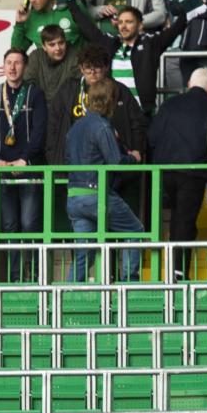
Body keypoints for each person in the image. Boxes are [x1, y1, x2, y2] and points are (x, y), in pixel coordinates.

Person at [65, 81, 146, 283]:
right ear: (110, 101)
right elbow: (115, 162)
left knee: (85, 252)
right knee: (135, 230)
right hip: (96, 194)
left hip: (74, 195)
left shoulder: (75, 127)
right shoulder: (101, 125)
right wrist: (134, 157)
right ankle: (130, 284)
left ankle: (70, 296)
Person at [0, 48, 49, 282]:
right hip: (4, 170)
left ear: (25, 66)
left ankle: (35, 275)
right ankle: (15, 276)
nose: (12, 67)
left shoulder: (35, 94)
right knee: (10, 226)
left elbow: (40, 131)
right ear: (3, 65)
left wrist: (25, 159)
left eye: (17, 63)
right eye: (8, 62)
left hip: (29, 169)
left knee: (30, 224)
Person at [151, 68, 207, 278]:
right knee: (185, 221)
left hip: (167, 170)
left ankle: (174, 269)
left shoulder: (169, 104)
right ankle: (178, 272)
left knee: (178, 219)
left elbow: (152, 136)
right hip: (195, 171)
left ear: (189, 83)